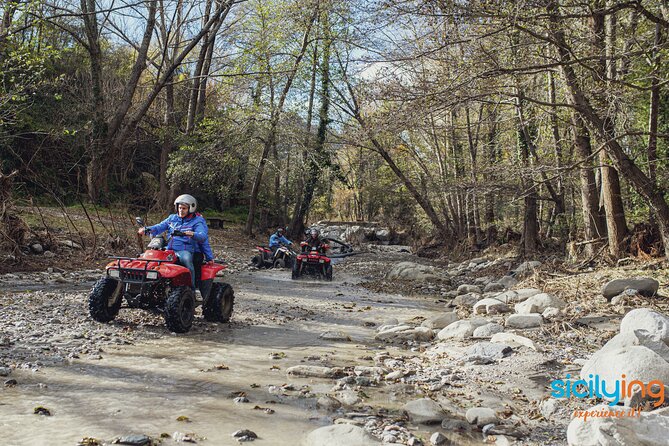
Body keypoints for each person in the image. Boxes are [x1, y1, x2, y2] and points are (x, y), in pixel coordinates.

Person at [138, 194, 212, 290]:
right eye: (180, 208)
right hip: (169, 249)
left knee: (187, 260)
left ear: (191, 208)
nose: (181, 210)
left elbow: (202, 236)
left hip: (185, 250)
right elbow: (159, 227)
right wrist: (146, 229)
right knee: (148, 258)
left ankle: (192, 288)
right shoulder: (172, 218)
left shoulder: (197, 221)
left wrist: (192, 234)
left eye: (184, 208)